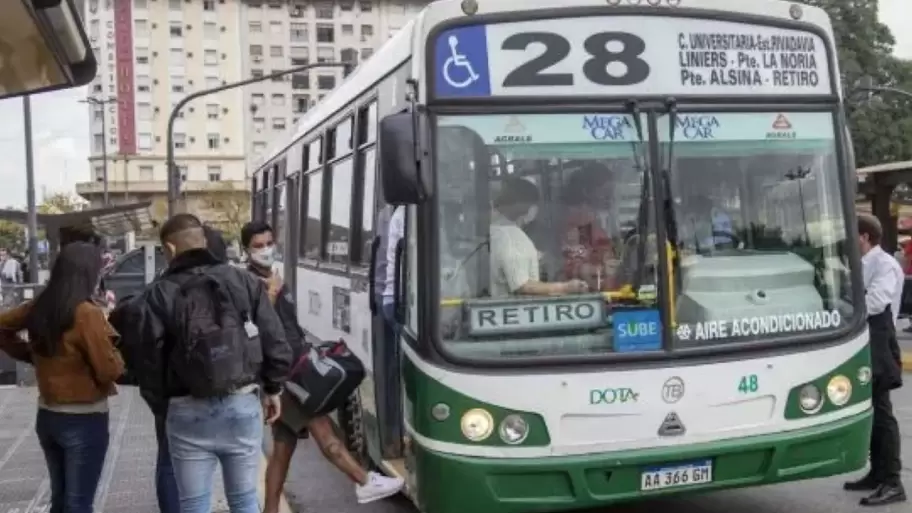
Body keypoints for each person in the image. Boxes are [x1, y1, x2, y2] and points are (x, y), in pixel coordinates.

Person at [127, 214, 292, 513]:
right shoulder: (243, 281)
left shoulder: (157, 294)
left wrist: (163, 407)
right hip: (241, 404)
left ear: (170, 248)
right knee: (243, 499)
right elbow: (275, 341)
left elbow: (146, 361)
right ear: (203, 241)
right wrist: (272, 389)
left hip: (185, 410)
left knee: (193, 504)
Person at [240, 221, 404, 511]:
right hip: (288, 376)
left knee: (282, 452)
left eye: (268, 243)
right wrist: (272, 296)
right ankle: (364, 481)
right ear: (246, 250)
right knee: (324, 432)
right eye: (258, 246)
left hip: (292, 370)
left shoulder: (273, 277)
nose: (265, 250)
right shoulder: (252, 284)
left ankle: (269, 510)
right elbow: (254, 329)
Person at [108, 225, 231, 513]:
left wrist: (152, 389)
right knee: (235, 471)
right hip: (226, 389)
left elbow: (128, 331)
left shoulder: (160, 289)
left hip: (172, 395)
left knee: (170, 461)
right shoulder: (233, 284)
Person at [0, 242, 124, 513]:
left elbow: (3, 326)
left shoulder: (40, 305)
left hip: (48, 415)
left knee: (61, 499)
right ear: (88, 272)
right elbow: (108, 370)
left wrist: (32, 354)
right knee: (79, 503)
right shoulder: (87, 313)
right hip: (85, 417)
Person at [843, 214, 906, 506]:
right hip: (863, 342)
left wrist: (843, 313)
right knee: (869, 409)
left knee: (882, 414)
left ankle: (893, 481)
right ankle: (877, 473)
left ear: (864, 237)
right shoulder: (861, 265)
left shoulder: (885, 266)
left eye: (851, 234)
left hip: (879, 344)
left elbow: (875, 302)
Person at [490, 178, 588, 297]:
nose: (534, 210)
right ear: (522, 204)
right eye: (533, 204)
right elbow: (524, 286)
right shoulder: (511, 235)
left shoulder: (493, 229)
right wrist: (566, 287)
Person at [561, 164, 618, 291]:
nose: (610, 198)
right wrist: (599, 268)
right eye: (605, 192)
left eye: (612, 192)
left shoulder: (606, 216)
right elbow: (571, 261)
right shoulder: (578, 220)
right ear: (586, 191)